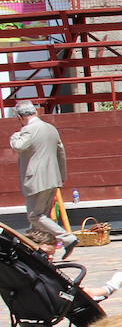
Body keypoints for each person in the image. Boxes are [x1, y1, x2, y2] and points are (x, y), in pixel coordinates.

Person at [9, 100, 77, 260]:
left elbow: (18, 146)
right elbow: (61, 153)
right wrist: (61, 176)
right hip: (52, 178)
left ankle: (68, 238)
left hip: (36, 179)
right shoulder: (50, 128)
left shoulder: (28, 130)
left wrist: (14, 135)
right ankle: (44, 251)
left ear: (20, 117)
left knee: (35, 216)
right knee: (42, 218)